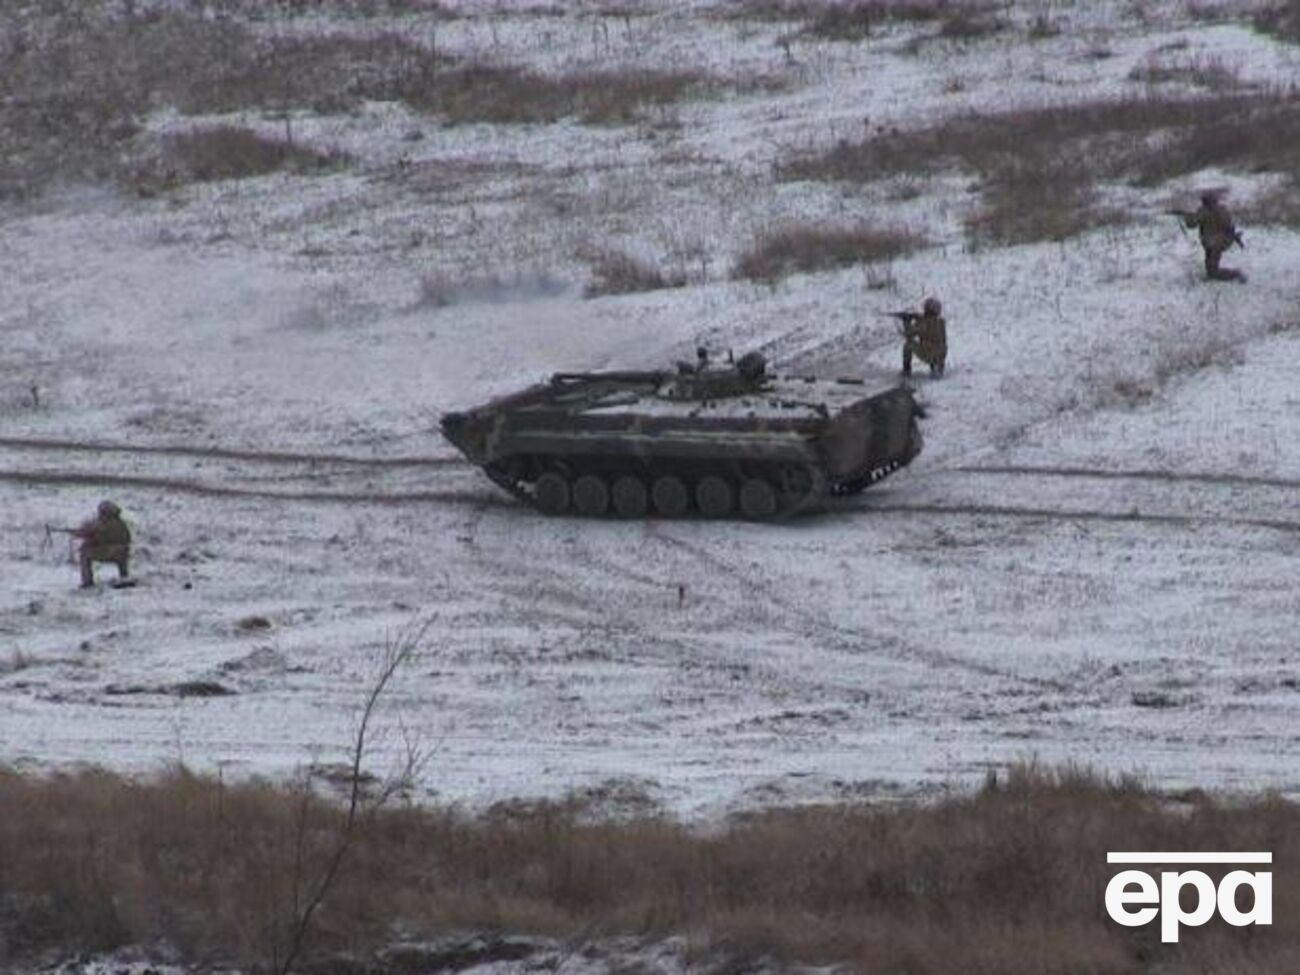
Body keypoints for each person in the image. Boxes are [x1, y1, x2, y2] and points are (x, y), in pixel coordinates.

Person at [1182, 192, 1245, 282]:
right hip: (1221, 242)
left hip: (1212, 243)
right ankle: (1226, 274)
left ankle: (1235, 275)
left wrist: (1187, 217)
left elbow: (1191, 225)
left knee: (1212, 271)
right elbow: (1229, 224)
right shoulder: (1223, 209)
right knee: (1210, 267)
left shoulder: (1203, 211)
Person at [74, 500, 131, 588]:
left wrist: (86, 536)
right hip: (122, 553)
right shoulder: (121, 524)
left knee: (84, 552)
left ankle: (87, 581)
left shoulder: (103, 524)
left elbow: (97, 538)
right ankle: (124, 576)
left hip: (109, 552)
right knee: (121, 552)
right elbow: (127, 538)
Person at [897, 296, 948, 378]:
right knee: (935, 347)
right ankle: (937, 369)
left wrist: (906, 322)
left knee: (908, 345)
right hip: (941, 356)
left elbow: (909, 334)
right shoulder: (941, 322)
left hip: (929, 354)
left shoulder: (924, 323)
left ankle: (906, 370)